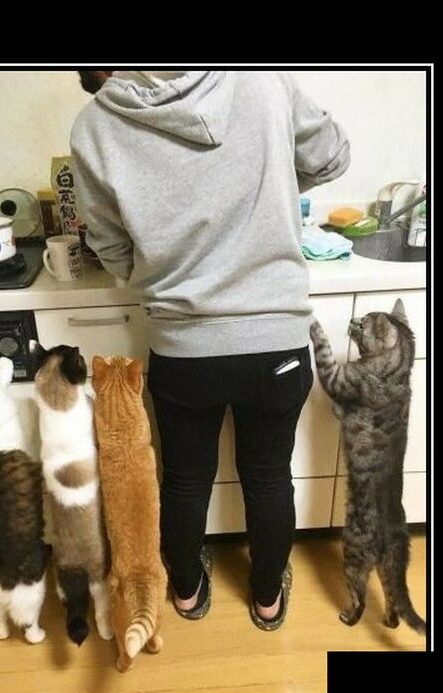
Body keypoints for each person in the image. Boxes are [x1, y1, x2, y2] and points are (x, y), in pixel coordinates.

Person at [71, 70, 350, 630]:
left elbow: (108, 244)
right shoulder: (263, 81)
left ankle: (187, 593)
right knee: (269, 475)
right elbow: (332, 157)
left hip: (182, 345)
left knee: (184, 477)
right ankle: (267, 599)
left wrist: (160, 270)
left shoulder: (95, 123)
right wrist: (266, 185)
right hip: (276, 342)